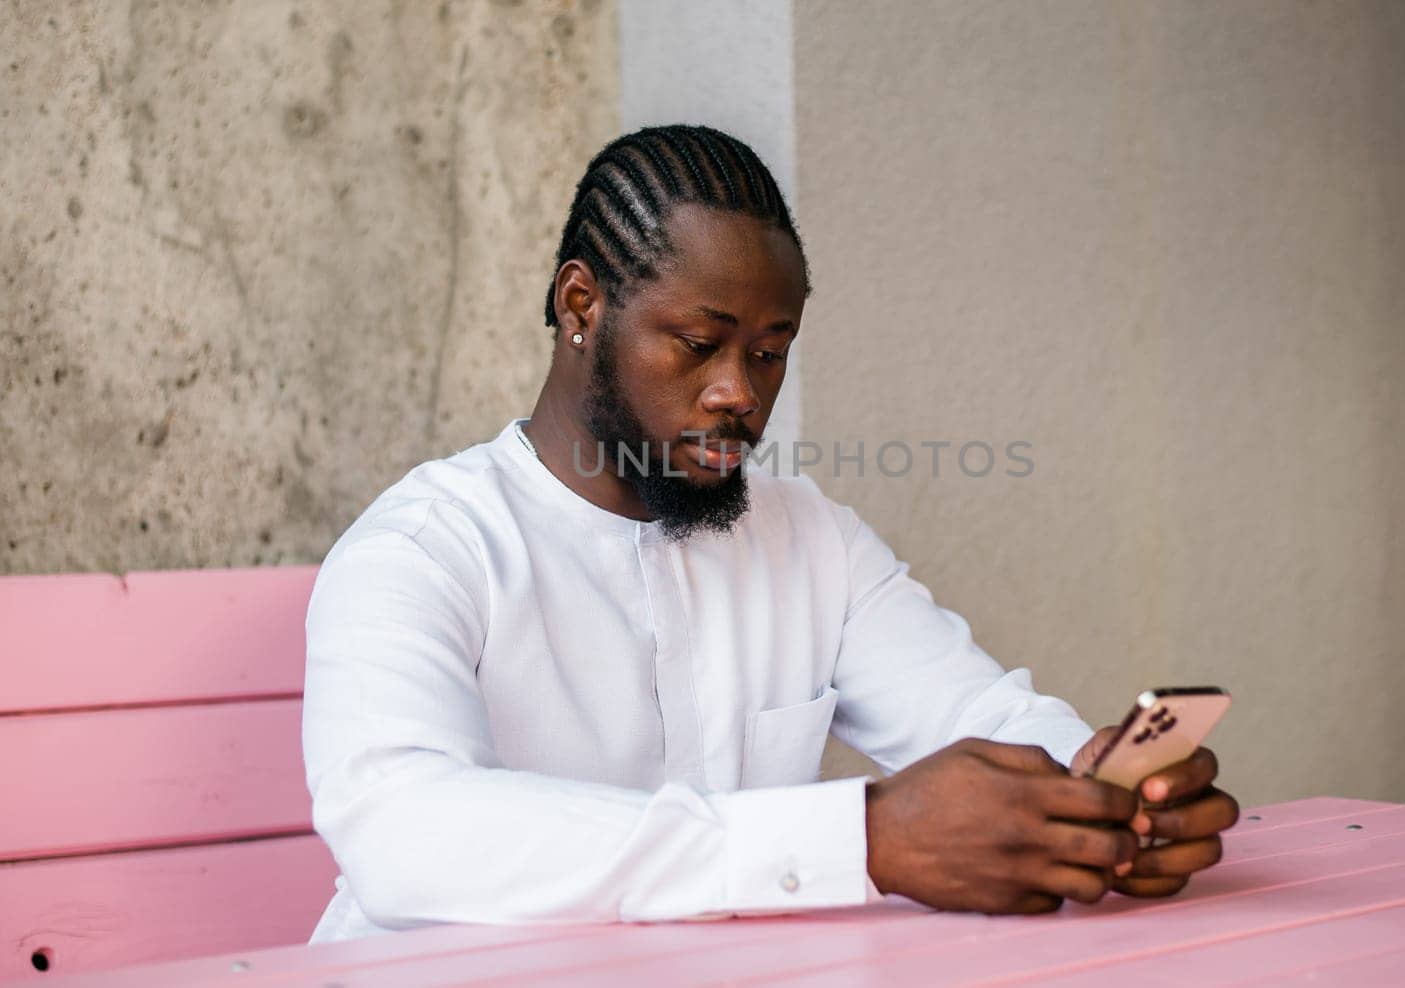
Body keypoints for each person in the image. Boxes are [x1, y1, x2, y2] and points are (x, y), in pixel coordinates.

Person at [301, 125, 1238, 941]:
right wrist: (860, 839)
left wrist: (1094, 797)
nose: (739, 394)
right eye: (699, 344)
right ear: (582, 306)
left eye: (769, 352)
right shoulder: (422, 552)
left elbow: (977, 719)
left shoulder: (810, 539)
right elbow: (404, 832)